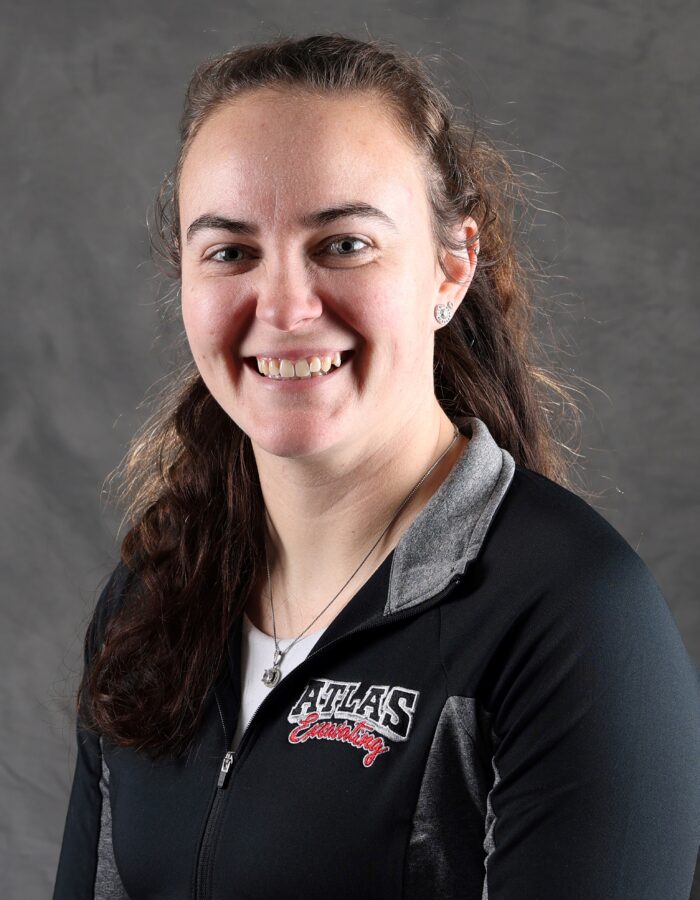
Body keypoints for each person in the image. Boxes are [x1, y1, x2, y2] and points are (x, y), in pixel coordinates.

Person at [52, 33, 700, 899]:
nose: (284, 306)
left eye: (343, 244)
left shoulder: (576, 619)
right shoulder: (152, 599)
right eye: (231, 251)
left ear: (451, 267)